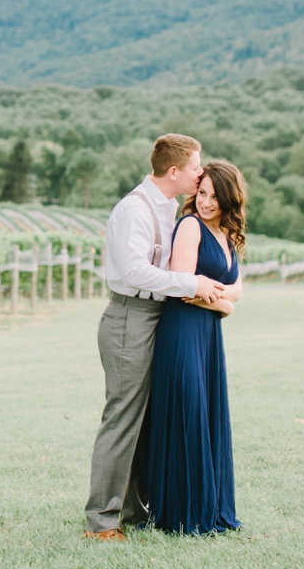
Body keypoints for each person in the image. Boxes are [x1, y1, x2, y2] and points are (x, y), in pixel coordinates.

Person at [83, 134, 228, 541]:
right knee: (123, 417)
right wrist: (190, 282)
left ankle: (133, 508)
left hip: (158, 317)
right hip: (131, 316)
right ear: (174, 171)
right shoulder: (135, 209)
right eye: (196, 166)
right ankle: (101, 520)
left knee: (147, 420)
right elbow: (133, 272)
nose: (201, 173)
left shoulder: (168, 209)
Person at [143, 159, 247, 534]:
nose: (205, 203)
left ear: (230, 201)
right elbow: (186, 288)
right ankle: (182, 512)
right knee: (188, 413)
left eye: (215, 198)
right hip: (184, 329)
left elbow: (237, 286)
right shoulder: (190, 226)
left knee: (206, 412)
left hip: (208, 335)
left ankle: (210, 504)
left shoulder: (226, 235)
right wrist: (226, 305)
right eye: (202, 194)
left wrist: (225, 298)